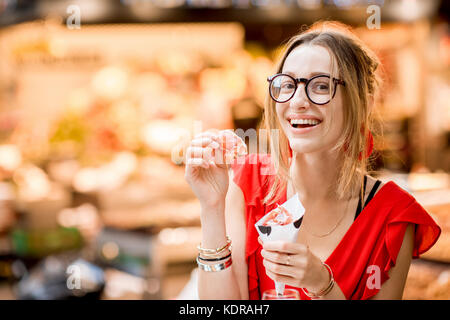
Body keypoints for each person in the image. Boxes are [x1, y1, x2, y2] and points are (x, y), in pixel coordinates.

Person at [184, 21, 441, 300]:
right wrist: (211, 208)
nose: (298, 101)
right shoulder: (249, 183)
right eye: (287, 84)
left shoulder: (392, 215)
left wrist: (323, 284)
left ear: (362, 102)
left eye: (320, 86)